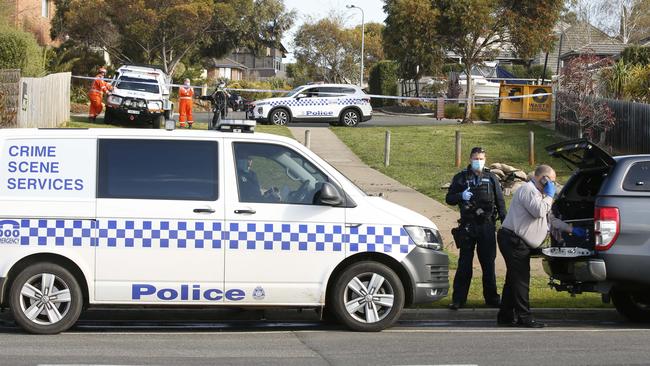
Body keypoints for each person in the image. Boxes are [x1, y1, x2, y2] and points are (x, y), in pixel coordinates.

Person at [497, 164, 587, 328]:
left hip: (517, 241)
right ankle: (524, 317)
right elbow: (539, 211)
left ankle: (505, 316)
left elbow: (551, 219)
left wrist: (572, 229)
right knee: (521, 280)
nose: (553, 184)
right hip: (513, 240)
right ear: (543, 179)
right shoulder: (528, 190)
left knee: (513, 280)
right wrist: (550, 195)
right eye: (551, 180)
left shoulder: (539, 194)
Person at [445, 147, 507, 310]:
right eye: (475, 158)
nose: (478, 161)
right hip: (467, 225)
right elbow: (449, 198)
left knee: (488, 264)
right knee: (464, 264)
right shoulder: (460, 178)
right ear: (470, 158)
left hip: (486, 225)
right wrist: (461, 196)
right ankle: (458, 299)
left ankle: (492, 298)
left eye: (481, 158)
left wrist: (506, 224)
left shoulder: (491, 177)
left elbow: (500, 202)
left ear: (485, 159)